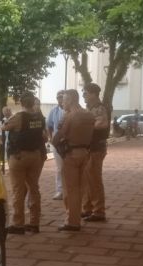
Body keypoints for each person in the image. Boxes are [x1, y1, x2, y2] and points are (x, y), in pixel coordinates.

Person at [3, 93, 48, 234]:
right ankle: (34, 223)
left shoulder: (19, 117)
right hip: (36, 156)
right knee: (34, 189)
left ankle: (18, 224)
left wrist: (8, 116)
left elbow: (4, 127)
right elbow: (44, 136)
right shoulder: (40, 117)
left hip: (19, 157)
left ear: (21, 102)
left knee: (18, 190)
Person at [52, 89, 95, 232]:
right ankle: (76, 219)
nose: (62, 103)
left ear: (70, 100)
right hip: (86, 153)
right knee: (81, 188)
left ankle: (72, 221)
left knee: (70, 190)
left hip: (71, 155)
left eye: (63, 100)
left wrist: (59, 147)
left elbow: (56, 138)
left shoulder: (69, 116)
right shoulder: (89, 115)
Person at [81, 83, 110, 223]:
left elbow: (102, 124)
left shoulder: (99, 108)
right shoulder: (91, 108)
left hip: (96, 148)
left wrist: (84, 126)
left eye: (85, 93)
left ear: (93, 94)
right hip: (90, 148)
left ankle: (98, 211)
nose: (83, 96)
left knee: (94, 180)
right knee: (87, 180)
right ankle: (88, 208)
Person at [46, 91, 66, 201]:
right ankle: (60, 190)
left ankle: (71, 190)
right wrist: (50, 138)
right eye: (58, 97)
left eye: (62, 97)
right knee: (59, 168)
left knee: (70, 167)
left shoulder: (70, 110)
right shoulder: (53, 111)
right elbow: (49, 125)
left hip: (70, 142)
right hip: (57, 143)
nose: (60, 99)